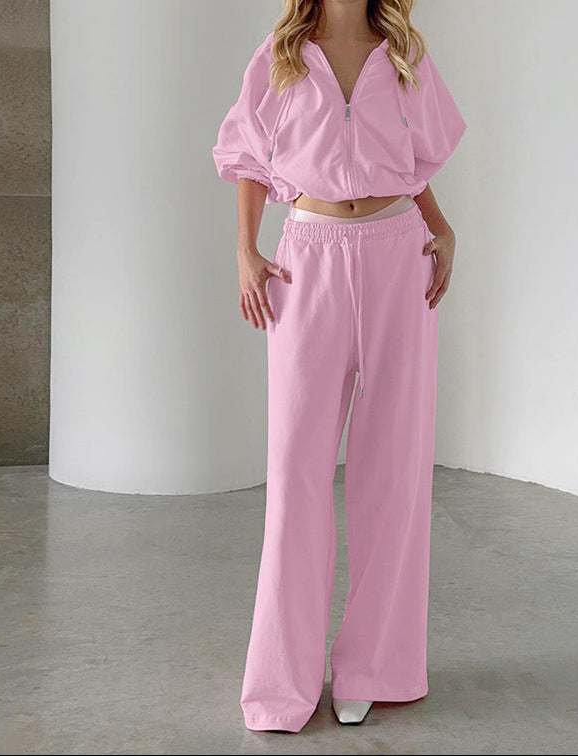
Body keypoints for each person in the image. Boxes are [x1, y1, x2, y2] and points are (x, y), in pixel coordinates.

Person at [211, 0, 466, 733]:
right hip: (307, 260)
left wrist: (444, 230)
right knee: (296, 474)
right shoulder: (284, 51)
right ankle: (282, 683)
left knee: (394, 471)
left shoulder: (403, 50)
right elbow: (249, 156)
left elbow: (411, 162)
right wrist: (244, 249)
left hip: (398, 255)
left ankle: (374, 669)